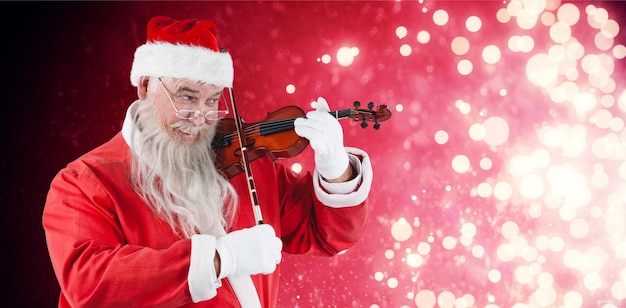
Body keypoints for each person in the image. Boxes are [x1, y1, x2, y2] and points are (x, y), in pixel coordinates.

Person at [42, 15, 373, 308]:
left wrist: (335, 167)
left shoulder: (246, 162)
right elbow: (91, 283)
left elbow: (327, 235)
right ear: (145, 86)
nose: (201, 117)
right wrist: (220, 259)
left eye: (212, 100)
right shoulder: (84, 181)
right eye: (187, 97)